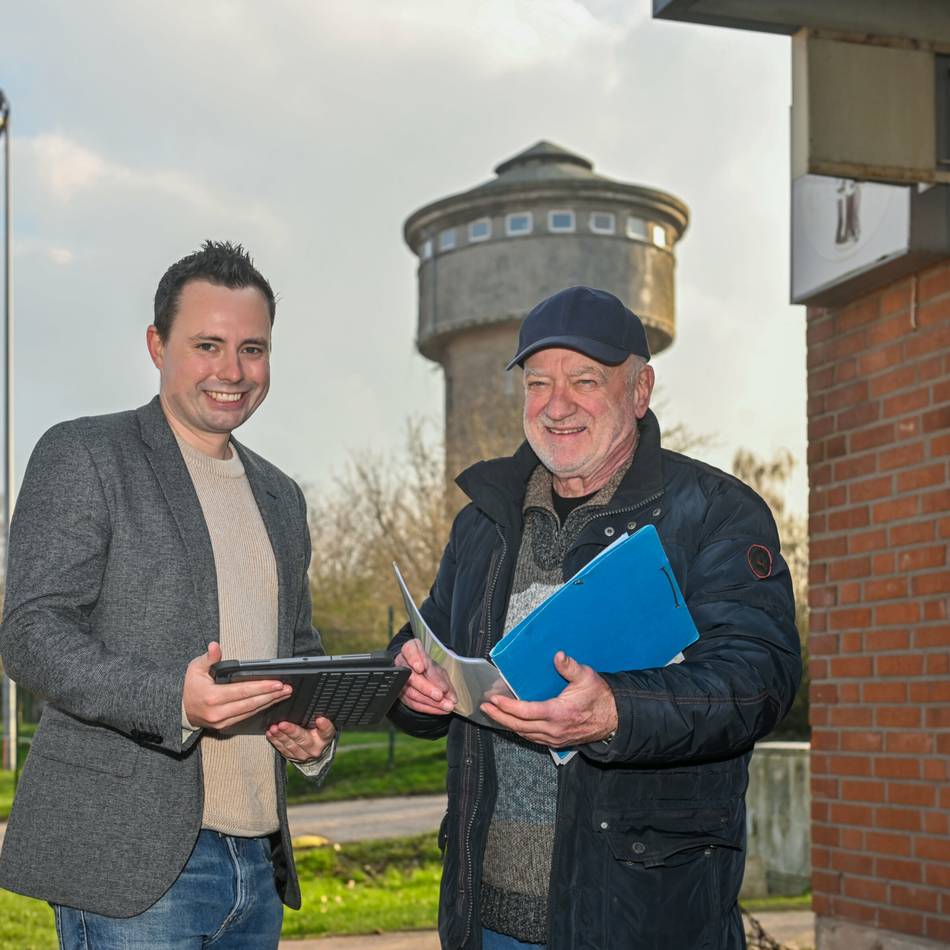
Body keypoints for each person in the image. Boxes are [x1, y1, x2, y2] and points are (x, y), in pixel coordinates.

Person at [389, 285, 801, 950]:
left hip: (644, 918)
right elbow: (423, 643)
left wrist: (617, 710)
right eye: (538, 382)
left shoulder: (715, 514)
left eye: (585, 380)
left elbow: (758, 677)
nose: (557, 405)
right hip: (486, 921)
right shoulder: (482, 526)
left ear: (640, 392)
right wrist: (409, 681)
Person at [0, 241, 335, 948]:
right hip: (134, 871)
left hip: (261, 862)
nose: (232, 371)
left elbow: (299, 650)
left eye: (252, 348)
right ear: (157, 345)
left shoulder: (281, 497)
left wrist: (313, 732)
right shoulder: (84, 454)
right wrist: (172, 699)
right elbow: (30, 632)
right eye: (207, 344)